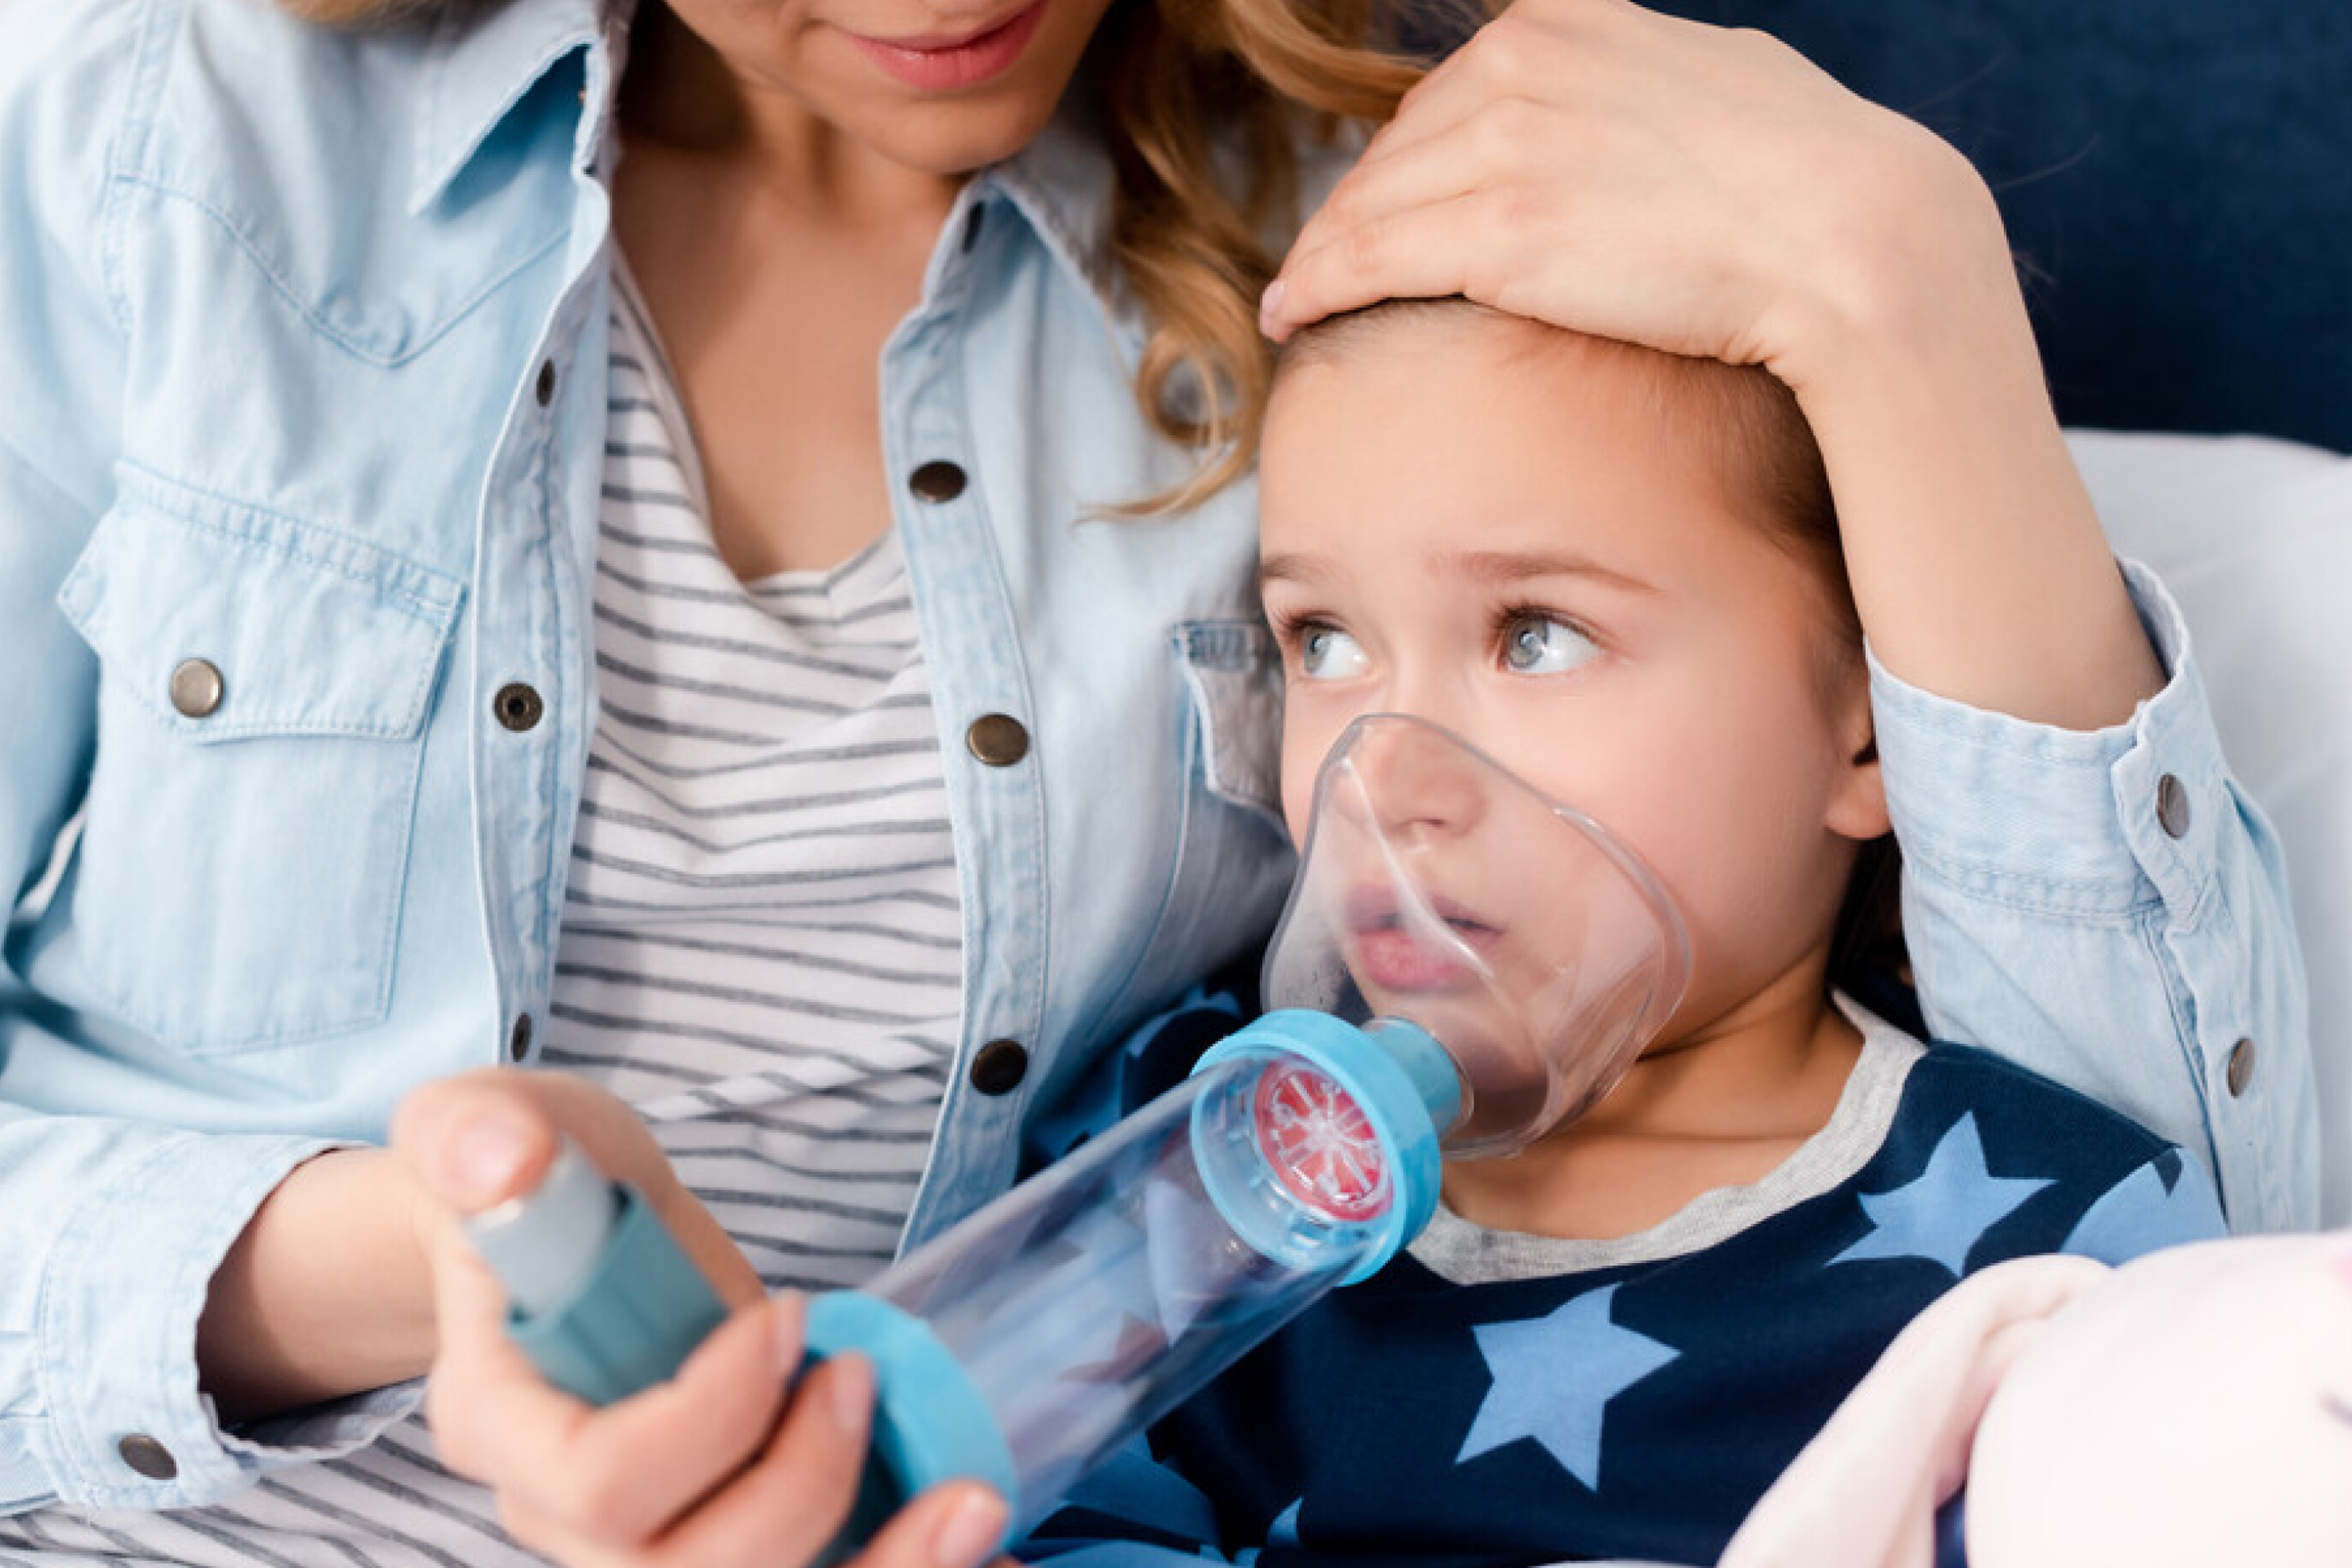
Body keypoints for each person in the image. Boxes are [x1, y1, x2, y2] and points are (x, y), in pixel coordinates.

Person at [0, 0, 2306, 1564]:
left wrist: (1897, 287)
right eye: (1319, 645)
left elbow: (2196, 1317)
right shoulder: (124, 154)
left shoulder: (1393, 257)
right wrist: (385, 1270)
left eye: (1518, 639)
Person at [1016, 297, 2231, 1568]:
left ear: (1868, 728)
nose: (1383, 780)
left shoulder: (2051, 1232)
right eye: (1325, 640)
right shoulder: (1187, 1147)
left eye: (1535, 638)